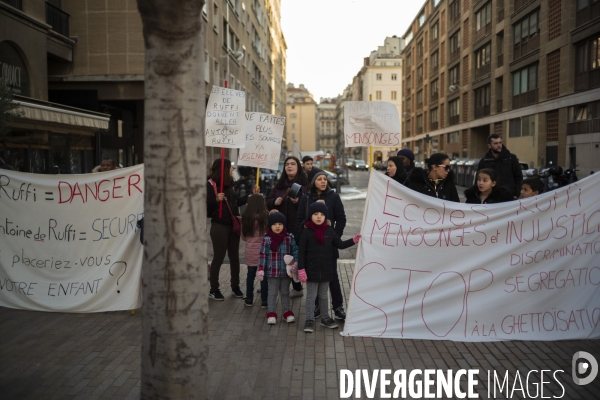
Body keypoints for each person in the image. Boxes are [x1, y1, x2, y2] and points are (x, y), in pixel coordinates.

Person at [297, 201, 361, 333]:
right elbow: (301, 252)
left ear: (326, 216)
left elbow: (340, 244)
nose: (319, 216)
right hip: (311, 270)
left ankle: (325, 318)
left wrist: (354, 240)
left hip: (326, 270)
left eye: (322, 214)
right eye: (315, 214)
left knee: (324, 295)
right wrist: (301, 269)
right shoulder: (306, 232)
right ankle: (309, 319)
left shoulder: (329, 231)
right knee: (311, 296)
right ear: (311, 216)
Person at [296, 171, 348, 321]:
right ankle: (317, 307)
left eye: (325, 179)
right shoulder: (306, 198)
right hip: (311, 246)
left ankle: (338, 307)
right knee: (314, 278)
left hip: (328, 245)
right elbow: (299, 219)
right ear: (313, 182)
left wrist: (334, 236)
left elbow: (341, 218)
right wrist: (301, 240)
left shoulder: (333, 197)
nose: (323, 181)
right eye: (319, 179)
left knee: (332, 277)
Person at [266, 156, 309, 298]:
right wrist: (274, 201)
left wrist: (299, 201)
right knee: (284, 257)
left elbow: (311, 205)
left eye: (292, 164)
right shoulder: (279, 185)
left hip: (298, 228)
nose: (289, 166)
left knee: (296, 257)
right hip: (281, 229)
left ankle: (298, 286)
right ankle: (286, 286)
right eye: (287, 164)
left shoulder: (305, 185)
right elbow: (268, 201)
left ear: (298, 167)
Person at [207, 158, 248, 301]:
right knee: (218, 257)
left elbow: (236, 203)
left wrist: (250, 196)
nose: (233, 169)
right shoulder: (211, 185)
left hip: (233, 225)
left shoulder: (231, 185)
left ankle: (235, 286)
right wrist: (215, 200)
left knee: (234, 257)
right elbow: (205, 208)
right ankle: (214, 289)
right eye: (230, 167)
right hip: (219, 226)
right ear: (223, 169)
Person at [257, 211, 298, 325]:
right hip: (272, 272)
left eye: (280, 224)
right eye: (275, 224)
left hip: (286, 272)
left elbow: (295, 251)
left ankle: (286, 312)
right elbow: (262, 255)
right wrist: (261, 268)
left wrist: (295, 262)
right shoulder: (267, 239)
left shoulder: (289, 238)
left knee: (285, 292)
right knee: (272, 293)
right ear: (270, 226)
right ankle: (271, 313)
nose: (277, 226)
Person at [241, 193, 269, 308]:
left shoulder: (246, 218)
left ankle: (249, 298)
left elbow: (243, 236)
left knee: (250, 276)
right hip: (263, 251)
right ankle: (264, 300)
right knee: (264, 277)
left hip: (250, 251)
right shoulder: (265, 217)